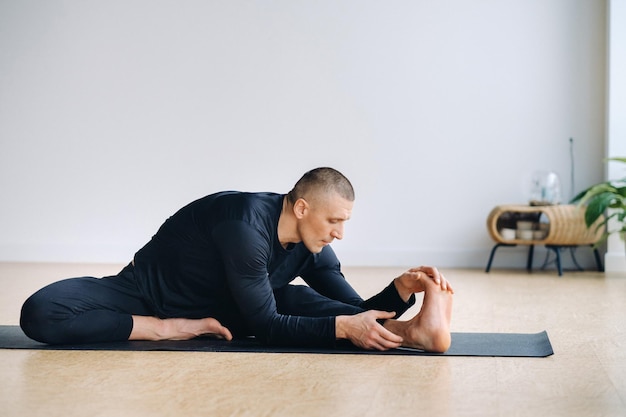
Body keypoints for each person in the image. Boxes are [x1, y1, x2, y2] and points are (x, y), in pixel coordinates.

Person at [20, 167, 454, 352]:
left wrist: (399, 292)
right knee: (41, 311)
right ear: (302, 208)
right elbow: (266, 327)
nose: (340, 232)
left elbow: (355, 311)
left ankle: (410, 331)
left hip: (228, 312)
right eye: (334, 220)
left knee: (308, 305)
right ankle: (161, 328)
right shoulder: (244, 226)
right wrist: (163, 329)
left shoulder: (313, 246)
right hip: (144, 295)